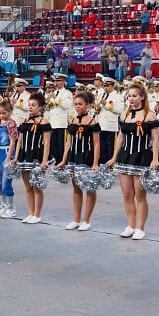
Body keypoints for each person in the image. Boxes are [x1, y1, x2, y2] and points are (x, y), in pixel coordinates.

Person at [106, 83, 159, 241]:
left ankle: (140, 228)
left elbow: (155, 138)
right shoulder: (124, 115)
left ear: (142, 96)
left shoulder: (150, 115)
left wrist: (155, 159)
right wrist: (115, 157)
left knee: (140, 195)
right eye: (129, 96)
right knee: (127, 195)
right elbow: (120, 137)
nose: (131, 98)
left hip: (142, 158)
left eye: (134, 96)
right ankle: (130, 225)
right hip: (125, 158)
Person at [58, 91, 101, 231]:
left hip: (87, 158)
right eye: (75, 104)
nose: (77, 107)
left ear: (88, 105)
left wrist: (95, 163)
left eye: (80, 104)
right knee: (76, 189)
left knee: (89, 188)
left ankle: (86, 220)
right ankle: (76, 219)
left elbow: (96, 144)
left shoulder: (93, 122)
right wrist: (64, 160)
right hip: (73, 158)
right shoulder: (72, 120)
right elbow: (68, 142)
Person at [15, 93, 51, 224]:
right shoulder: (24, 122)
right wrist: (16, 157)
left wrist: (44, 160)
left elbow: (47, 142)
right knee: (28, 187)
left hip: (37, 156)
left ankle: (37, 214)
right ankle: (30, 213)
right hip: (25, 156)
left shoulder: (44, 122)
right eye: (29, 105)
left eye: (33, 105)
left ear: (41, 107)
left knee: (37, 187)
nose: (30, 107)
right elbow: (19, 141)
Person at [0, 100, 18, 217]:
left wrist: (8, 157)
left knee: (6, 181)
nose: (1, 116)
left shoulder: (11, 123)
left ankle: (11, 207)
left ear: (10, 112)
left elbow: (12, 142)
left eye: (4, 113)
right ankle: (3, 205)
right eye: (0, 113)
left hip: (6, 152)